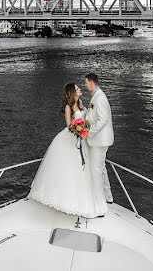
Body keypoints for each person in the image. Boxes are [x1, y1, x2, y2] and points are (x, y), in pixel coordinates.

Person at [27, 83, 108, 218]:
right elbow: (69, 125)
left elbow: (85, 118)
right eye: (77, 89)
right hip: (71, 138)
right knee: (70, 168)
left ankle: (86, 199)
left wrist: (86, 124)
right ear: (73, 92)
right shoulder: (68, 106)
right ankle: (65, 200)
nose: (80, 89)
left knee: (84, 169)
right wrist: (80, 127)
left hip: (82, 137)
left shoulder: (81, 102)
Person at [85, 73, 114, 205]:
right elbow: (94, 116)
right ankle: (107, 197)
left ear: (91, 82)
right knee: (101, 168)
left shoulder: (100, 98)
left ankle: (99, 203)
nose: (85, 85)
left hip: (99, 140)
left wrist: (89, 132)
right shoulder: (96, 97)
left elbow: (103, 119)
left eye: (86, 82)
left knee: (96, 170)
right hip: (100, 140)